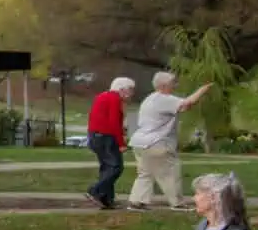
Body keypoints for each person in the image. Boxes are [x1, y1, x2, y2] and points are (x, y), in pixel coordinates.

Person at [129, 71, 215, 211]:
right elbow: (188, 103)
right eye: (173, 83)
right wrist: (203, 90)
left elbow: (184, 106)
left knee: (145, 173)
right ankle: (177, 203)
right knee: (170, 172)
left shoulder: (150, 98)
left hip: (139, 142)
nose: (175, 85)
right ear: (163, 85)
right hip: (156, 142)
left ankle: (137, 201)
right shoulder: (164, 99)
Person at [86, 76, 137, 209]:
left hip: (95, 136)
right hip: (106, 137)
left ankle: (106, 199)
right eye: (130, 90)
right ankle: (95, 191)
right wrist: (121, 143)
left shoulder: (102, 96)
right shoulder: (114, 98)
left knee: (106, 167)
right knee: (116, 167)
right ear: (122, 89)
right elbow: (114, 122)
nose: (132, 93)